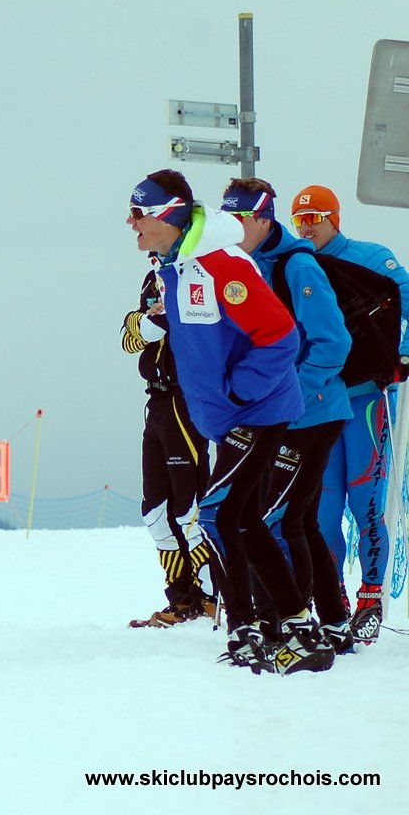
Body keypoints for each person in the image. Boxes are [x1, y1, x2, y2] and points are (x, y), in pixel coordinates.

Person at [126, 169, 326, 674]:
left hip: (257, 411)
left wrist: (239, 391)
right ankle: (295, 626)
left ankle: (246, 628)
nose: (132, 224)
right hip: (229, 417)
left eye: (139, 214)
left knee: (216, 514)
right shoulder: (175, 266)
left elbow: (280, 334)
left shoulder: (219, 262)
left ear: (169, 214)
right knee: (243, 519)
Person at [220, 178, 352, 659]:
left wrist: (286, 393)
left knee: (277, 519)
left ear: (263, 219)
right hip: (291, 414)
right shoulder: (254, 264)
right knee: (298, 520)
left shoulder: (297, 265)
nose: (231, 228)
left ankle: (288, 624)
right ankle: (332, 621)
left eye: (239, 219)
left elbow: (333, 343)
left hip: (311, 414)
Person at [293, 184, 409, 641]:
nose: (306, 226)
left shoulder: (369, 256)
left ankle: (371, 598)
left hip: (363, 399)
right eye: (300, 219)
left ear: (334, 218)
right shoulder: (296, 265)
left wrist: (401, 355)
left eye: (315, 217)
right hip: (319, 405)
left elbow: (406, 299)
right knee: (322, 509)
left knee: (366, 501)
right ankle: (333, 597)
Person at [121, 260, 218, 627]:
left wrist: (155, 321)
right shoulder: (153, 277)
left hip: (186, 399)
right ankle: (181, 597)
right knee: (155, 511)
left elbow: (174, 323)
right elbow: (130, 336)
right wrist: (149, 320)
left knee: (188, 508)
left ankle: (212, 594)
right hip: (157, 402)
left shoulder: (196, 272)